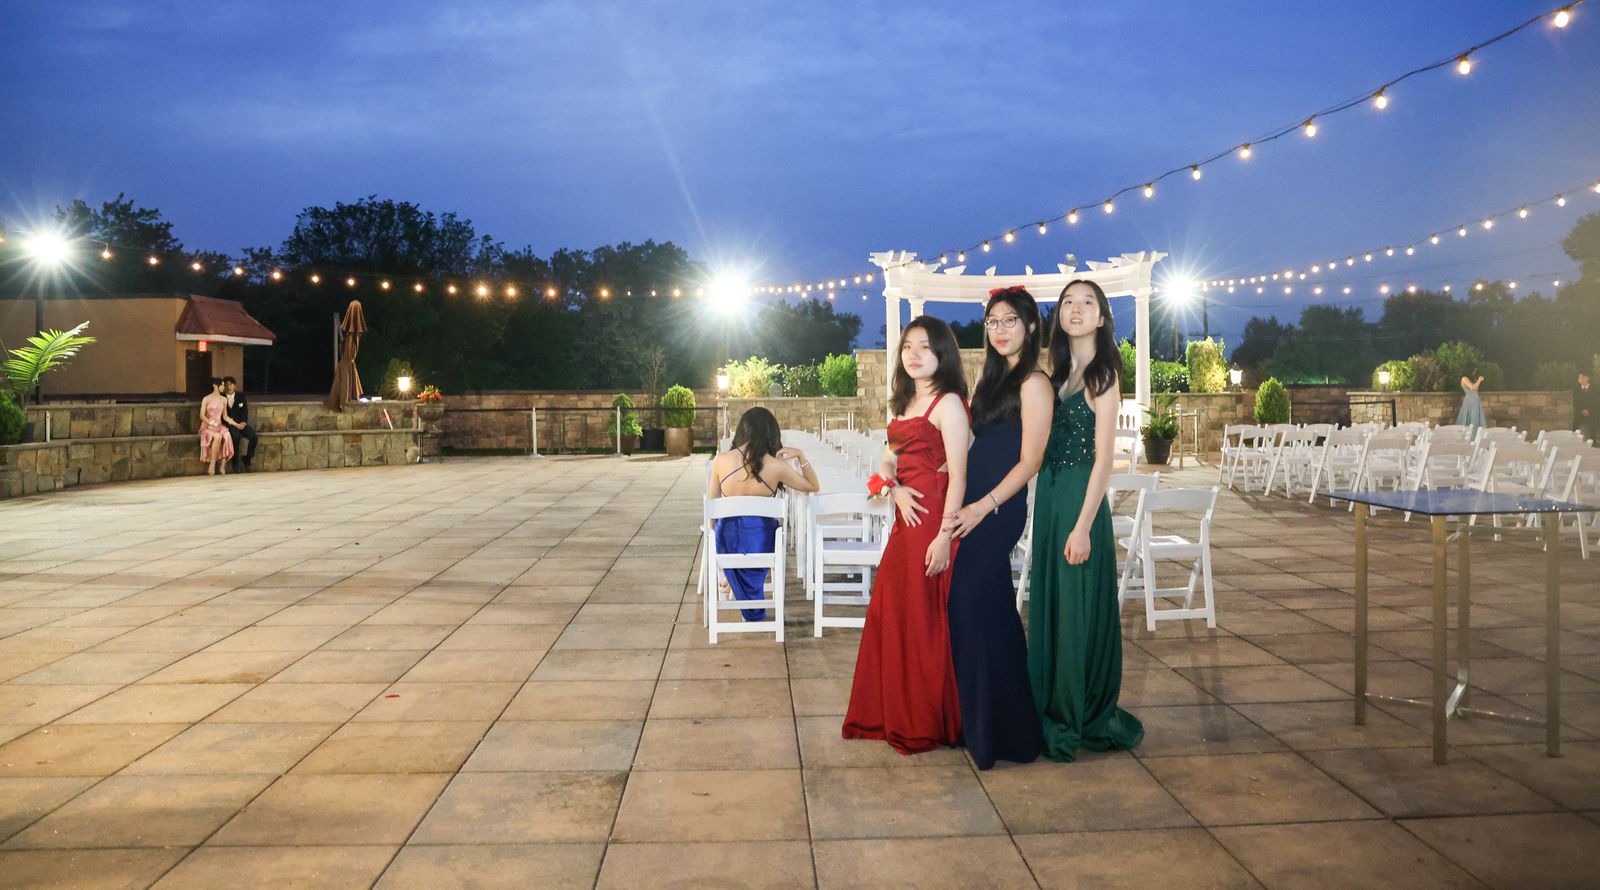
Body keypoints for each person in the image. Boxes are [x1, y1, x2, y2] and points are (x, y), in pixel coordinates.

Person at [1027, 279, 1143, 762]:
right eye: (1068, 302)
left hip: (1080, 502)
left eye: (1087, 302)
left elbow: (1104, 460)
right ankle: (1049, 704)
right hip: (1051, 498)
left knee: (1074, 609)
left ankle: (1073, 715)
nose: (1076, 309)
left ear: (1101, 317)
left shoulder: (1104, 375)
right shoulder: (1057, 377)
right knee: (1052, 603)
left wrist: (1082, 527)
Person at [843, 316, 970, 755]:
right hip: (904, 521)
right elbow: (883, 468)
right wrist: (892, 489)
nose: (914, 354)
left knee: (924, 619)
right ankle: (894, 710)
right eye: (908, 346)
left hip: (935, 521)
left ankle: (924, 719)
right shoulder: (902, 404)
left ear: (943, 354)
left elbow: (959, 476)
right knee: (895, 612)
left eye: (925, 347)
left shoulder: (949, 404)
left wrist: (945, 536)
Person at [942, 286, 1049, 770]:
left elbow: (1030, 461)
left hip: (997, 509)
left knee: (972, 607)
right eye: (992, 322)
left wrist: (983, 506)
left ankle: (999, 732)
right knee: (989, 613)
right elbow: (977, 443)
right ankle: (997, 728)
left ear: (1030, 325)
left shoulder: (1034, 382)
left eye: (1009, 321)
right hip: (972, 504)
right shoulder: (990, 379)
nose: (999, 330)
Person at [707, 407, 819, 621]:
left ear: (742, 430)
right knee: (767, 529)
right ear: (771, 433)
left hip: (727, 541)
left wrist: (713, 538)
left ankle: (732, 574)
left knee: (725, 528)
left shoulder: (721, 460)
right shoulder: (777, 466)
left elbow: (712, 507)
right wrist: (800, 455)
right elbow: (813, 485)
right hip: (762, 542)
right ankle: (735, 579)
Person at [198, 377, 234, 476]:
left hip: (219, 426)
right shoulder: (206, 399)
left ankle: (222, 466)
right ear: (215, 386)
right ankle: (212, 464)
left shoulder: (224, 399)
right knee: (217, 436)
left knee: (227, 435)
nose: (223, 387)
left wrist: (235, 424)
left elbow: (225, 416)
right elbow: (202, 415)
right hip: (208, 426)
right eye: (222, 385)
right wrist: (210, 423)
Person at [222, 376, 257, 473]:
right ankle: (235, 463)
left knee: (253, 436)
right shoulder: (222, 397)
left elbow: (244, 411)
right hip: (230, 424)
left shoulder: (241, 396)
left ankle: (247, 459)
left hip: (241, 423)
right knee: (235, 437)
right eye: (227, 385)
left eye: (231, 384)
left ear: (234, 385)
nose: (229, 387)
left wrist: (243, 422)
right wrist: (232, 424)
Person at [1576, 371, 1597, 441]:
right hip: (1579, 414)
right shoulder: (1576, 389)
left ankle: (1593, 443)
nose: (1580, 379)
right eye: (1579, 377)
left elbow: (1595, 401)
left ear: (1588, 378)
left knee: (1592, 433)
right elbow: (1575, 401)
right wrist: (1582, 410)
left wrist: (1588, 410)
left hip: (1592, 414)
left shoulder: (1595, 389)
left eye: (1582, 377)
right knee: (1579, 432)